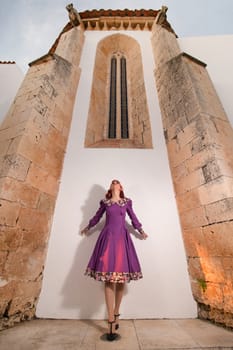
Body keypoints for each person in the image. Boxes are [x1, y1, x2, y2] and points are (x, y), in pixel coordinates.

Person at [81, 179, 148, 341]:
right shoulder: (105, 202)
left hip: (122, 240)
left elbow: (133, 217)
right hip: (108, 238)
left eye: (117, 182)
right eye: (112, 182)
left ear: (121, 187)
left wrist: (141, 230)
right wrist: (88, 226)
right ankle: (110, 319)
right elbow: (97, 216)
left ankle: (116, 312)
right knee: (108, 279)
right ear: (110, 187)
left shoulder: (127, 202)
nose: (115, 182)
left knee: (121, 279)